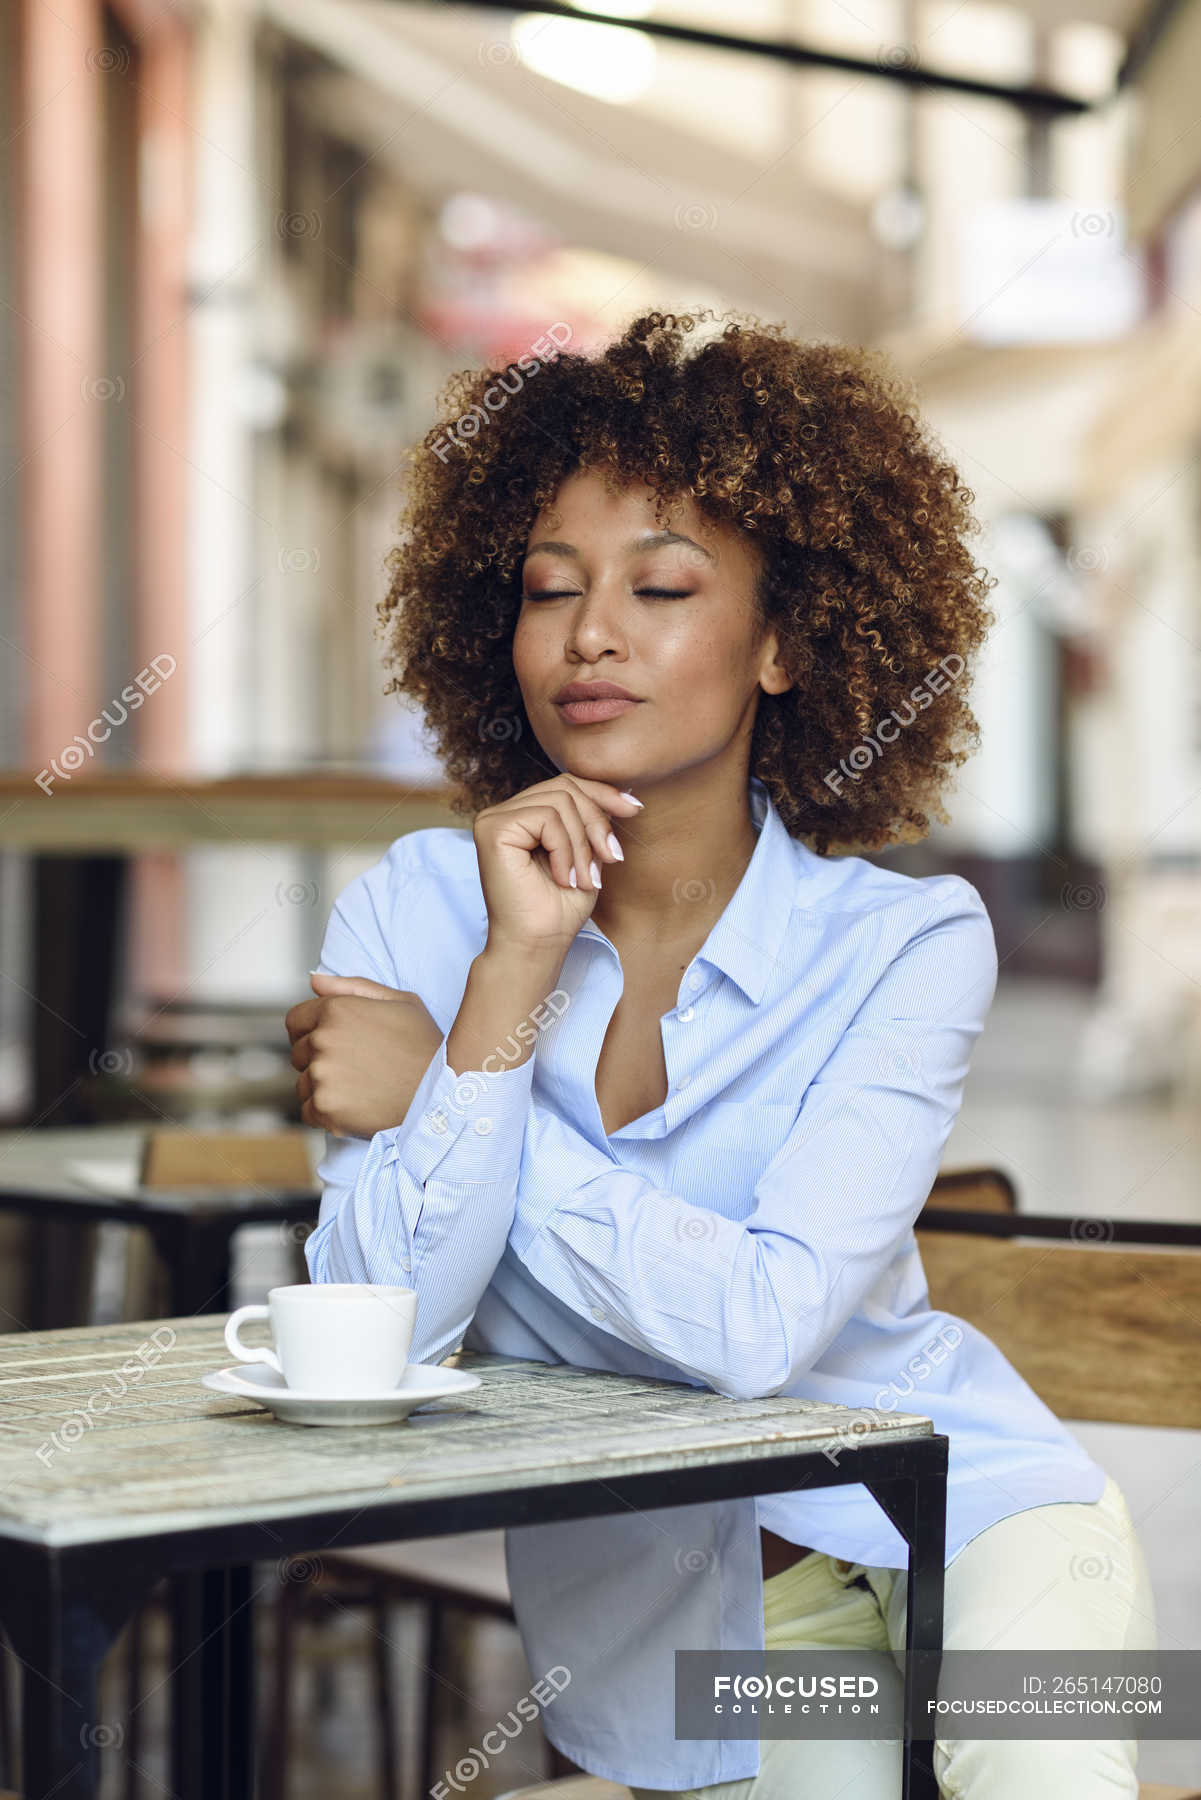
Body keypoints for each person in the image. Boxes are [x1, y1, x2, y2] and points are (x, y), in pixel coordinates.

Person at [285, 310, 1157, 1798]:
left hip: (992, 1515)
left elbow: (759, 1331)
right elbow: (383, 1336)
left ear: (779, 643)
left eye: (662, 587)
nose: (590, 634)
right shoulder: (421, 915)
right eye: (549, 589)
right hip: (711, 1619)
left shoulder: (906, 943)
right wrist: (503, 995)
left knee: (1040, 1770)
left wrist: (444, 1092)